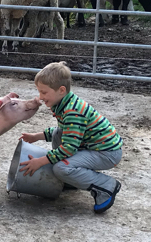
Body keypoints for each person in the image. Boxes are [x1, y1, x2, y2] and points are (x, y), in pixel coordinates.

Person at [18, 61, 123, 213]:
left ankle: (106, 186)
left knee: (61, 168)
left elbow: (69, 148)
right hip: (94, 147)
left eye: (44, 92)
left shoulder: (73, 111)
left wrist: (39, 162)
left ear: (61, 90)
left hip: (107, 153)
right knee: (57, 134)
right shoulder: (65, 104)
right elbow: (65, 131)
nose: (40, 97)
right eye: (39, 92)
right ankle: (73, 180)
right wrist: (37, 136)